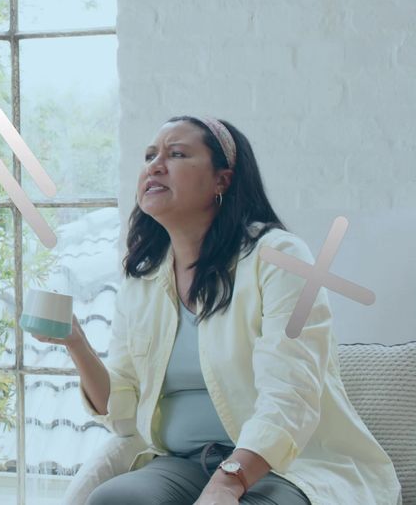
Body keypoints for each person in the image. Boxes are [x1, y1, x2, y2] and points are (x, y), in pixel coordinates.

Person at [35, 116, 400, 504]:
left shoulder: (280, 258)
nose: (155, 165)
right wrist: (76, 343)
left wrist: (228, 482)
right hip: (183, 463)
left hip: (288, 467)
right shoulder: (142, 281)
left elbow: (290, 394)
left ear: (222, 180)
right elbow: (122, 413)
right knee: (113, 500)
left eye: (176, 154)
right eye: (149, 156)